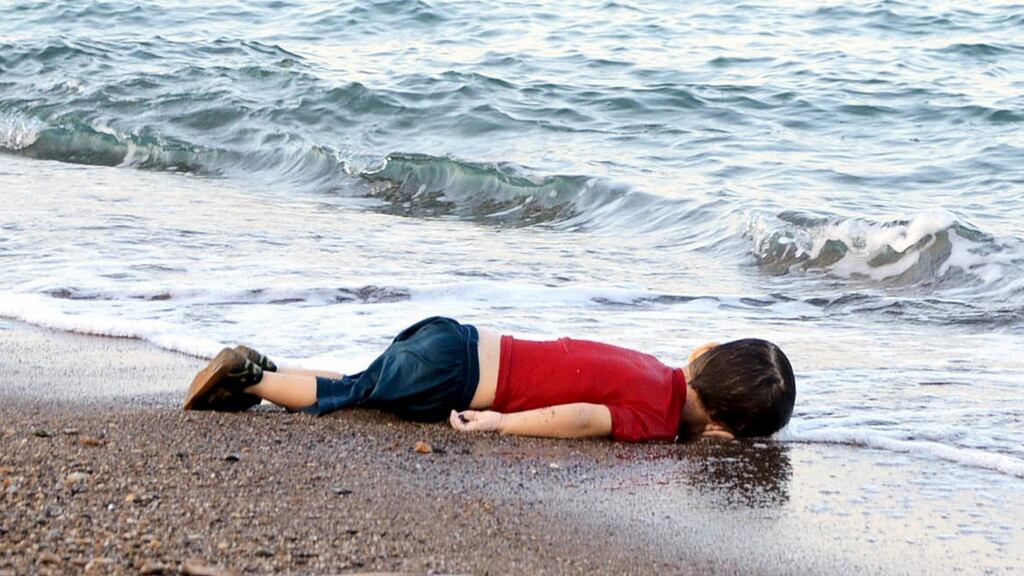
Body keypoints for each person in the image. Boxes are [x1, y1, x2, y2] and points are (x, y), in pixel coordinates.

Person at [183, 316, 795, 442]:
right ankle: (250, 377)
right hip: (457, 377)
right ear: (725, 423)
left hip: (462, 339)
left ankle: (266, 368)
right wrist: (503, 422)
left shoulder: (660, 371)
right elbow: (582, 418)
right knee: (348, 396)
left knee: (362, 380)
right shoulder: (658, 420)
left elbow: (706, 352)